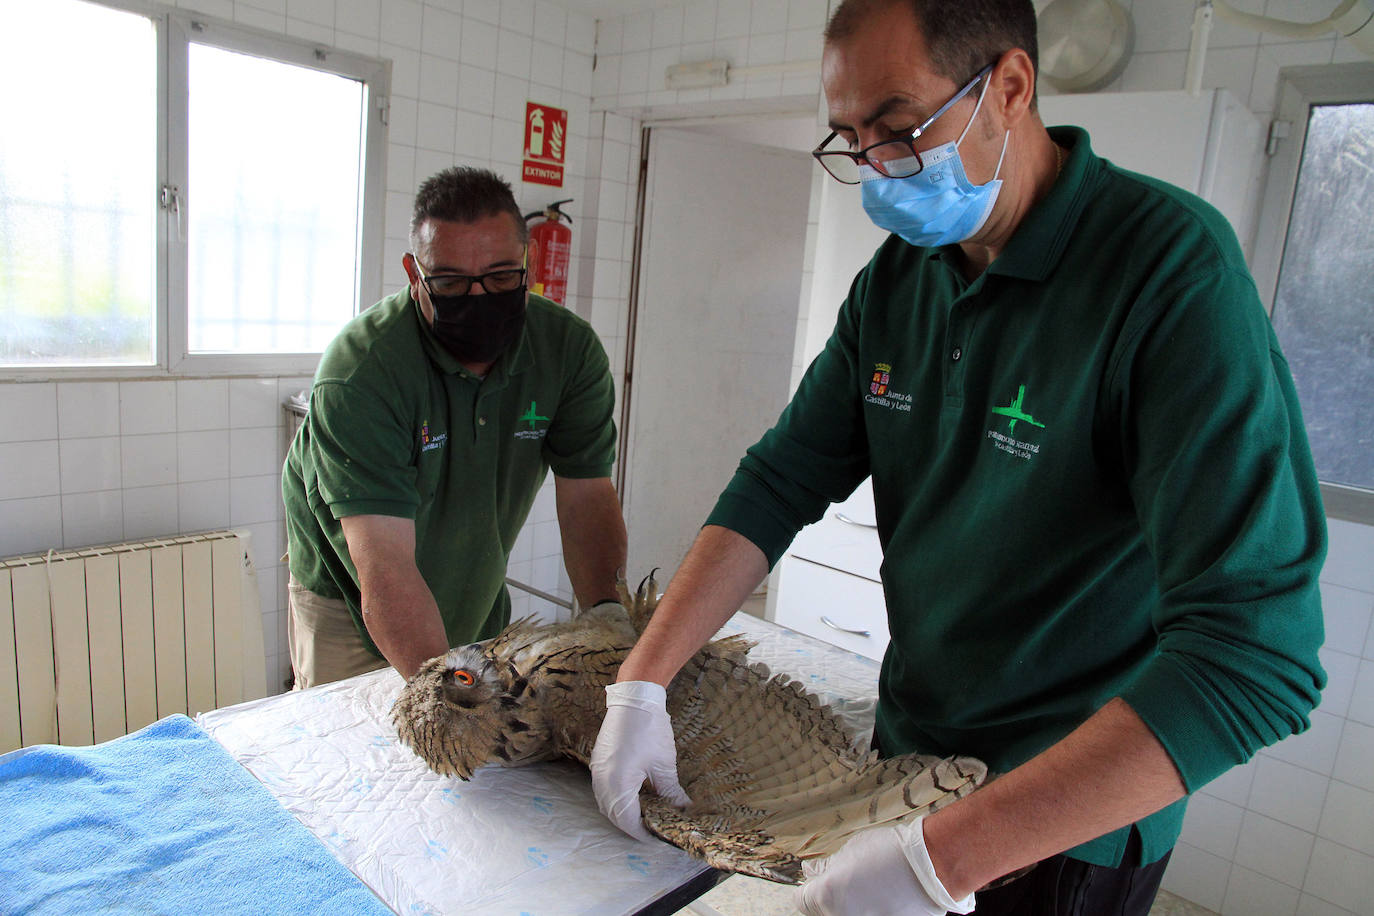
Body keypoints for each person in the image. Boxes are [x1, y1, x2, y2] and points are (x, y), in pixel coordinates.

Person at [589, 1, 1328, 914]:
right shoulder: (900, 278)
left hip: (1066, 815)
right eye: (851, 140)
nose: (877, 169)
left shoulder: (1168, 274)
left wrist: (942, 860)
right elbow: (779, 482)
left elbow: (1257, 658)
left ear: (1010, 88)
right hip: (912, 760)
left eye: (899, 128)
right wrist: (643, 681)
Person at [282, 166, 627, 688]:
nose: (479, 298)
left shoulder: (567, 352)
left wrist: (607, 621)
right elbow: (385, 566)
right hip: (351, 597)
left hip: (475, 585)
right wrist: (450, 692)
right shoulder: (363, 372)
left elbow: (587, 501)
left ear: (526, 262)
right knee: (369, 745)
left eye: (501, 277)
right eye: (449, 282)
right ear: (413, 272)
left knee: (487, 747)